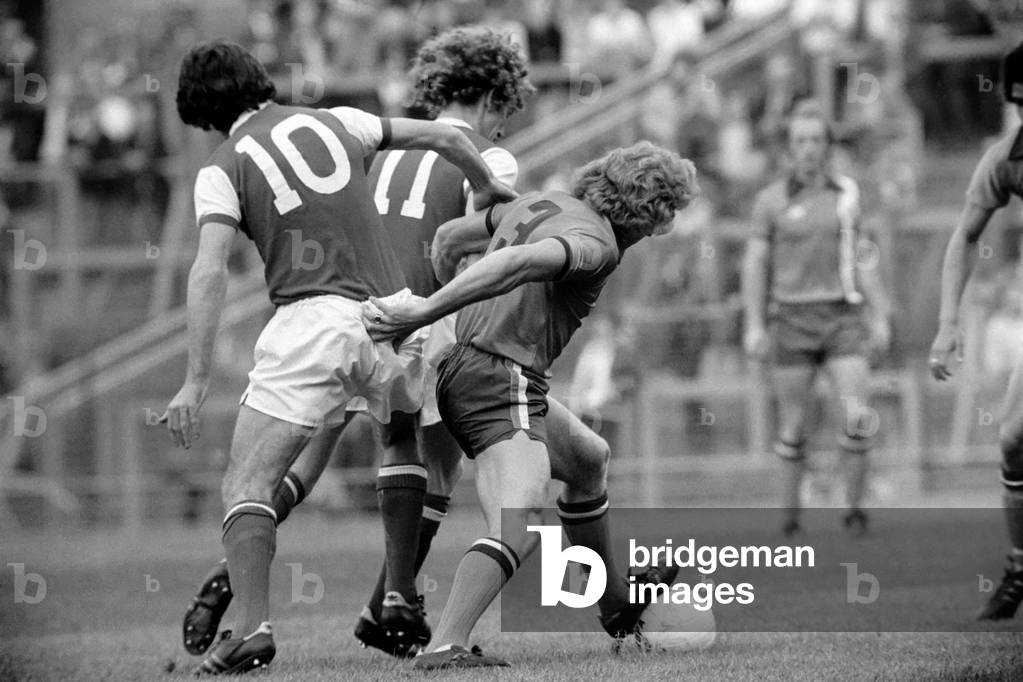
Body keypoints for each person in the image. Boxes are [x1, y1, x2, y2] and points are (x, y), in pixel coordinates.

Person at [163, 39, 514, 675]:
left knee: (246, 482)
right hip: (395, 315)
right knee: (400, 437)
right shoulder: (338, 121)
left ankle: (251, 628)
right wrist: (488, 183)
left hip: (313, 320)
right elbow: (447, 138)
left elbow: (208, 270)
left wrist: (194, 380)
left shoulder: (222, 165)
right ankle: (399, 594)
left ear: (201, 113)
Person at [363, 141, 699, 669]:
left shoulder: (540, 202)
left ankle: (616, 605)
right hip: (499, 379)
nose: (666, 226)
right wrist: (424, 312)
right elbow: (518, 262)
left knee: (587, 459)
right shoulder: (596, 244)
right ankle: (445, 645)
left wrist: (454, 310)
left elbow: (449, 239)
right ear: (649, 214)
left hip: (474, 367)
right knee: (518, 526)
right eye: (667, 213)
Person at [741, 100, 890, 538]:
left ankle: (855, 513)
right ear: (790, 147)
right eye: (801, 140)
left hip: (843, 317)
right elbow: (755, 263)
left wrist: (880, 314)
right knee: (794, 424)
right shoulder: (770, 201)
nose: (809, 148)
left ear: (827, 145)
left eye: (816, 139)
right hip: (791, 320)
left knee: (857, 415)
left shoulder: (848, 194)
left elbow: (863, 256)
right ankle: (790, 520)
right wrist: (754, 324)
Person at [930, 41, 1023, 621]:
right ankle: (1020, 566)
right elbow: (964, 236)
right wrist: (948, 324)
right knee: (1013, 439)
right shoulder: (1006, 159)